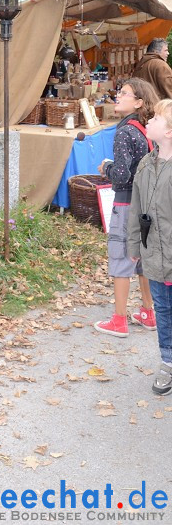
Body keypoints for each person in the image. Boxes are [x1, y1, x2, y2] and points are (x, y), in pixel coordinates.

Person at [94, 77, 159, 338]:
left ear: (139, 102)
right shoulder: (146, 130)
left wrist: (106, 167)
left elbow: (121, 175)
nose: (118, 96)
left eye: (124, 93)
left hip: (125, 203)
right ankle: (148, 311)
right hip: (146, 204)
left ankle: (119, 319)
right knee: (142, 258)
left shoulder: (123, 132)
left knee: (121, 256)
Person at [127, 99, 172, 395]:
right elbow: (135, 208)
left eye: (156, 118)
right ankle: (167, 362)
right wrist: (133, 245)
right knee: (164, 310)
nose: (149, 121)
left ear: (169, 132)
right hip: (154, 255)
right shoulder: (145, 164)